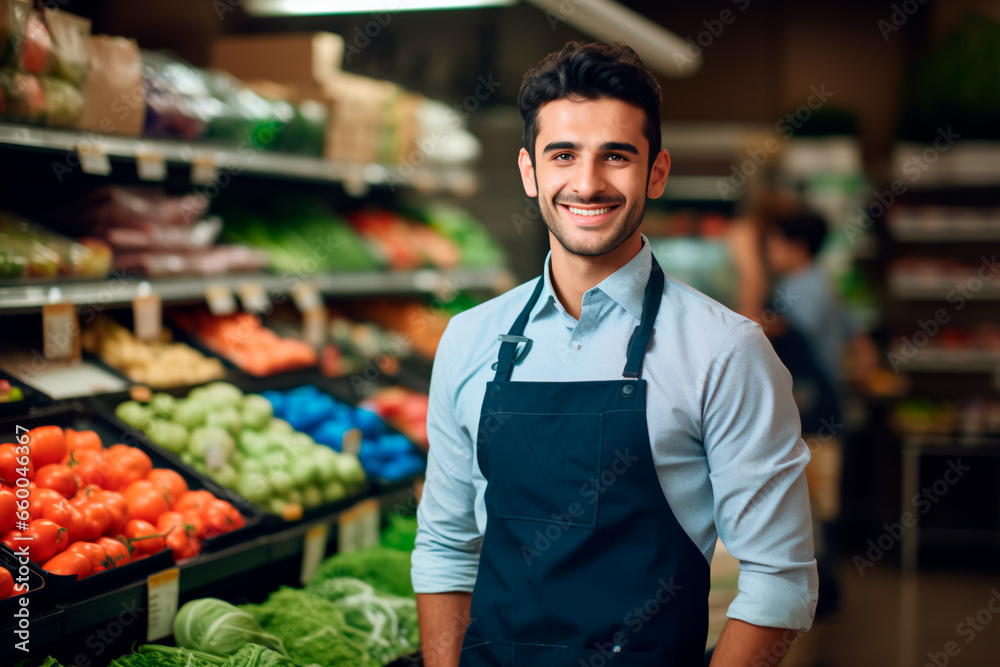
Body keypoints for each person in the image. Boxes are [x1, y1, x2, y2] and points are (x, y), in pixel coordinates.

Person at [413, 42, 818, 667]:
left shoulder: (726, 351)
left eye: (617, 156)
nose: (588, 182)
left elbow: (780, 581)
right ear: (530, 172)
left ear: (656, 172)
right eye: (563, 155)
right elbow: (445, 547)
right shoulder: (469, 339)